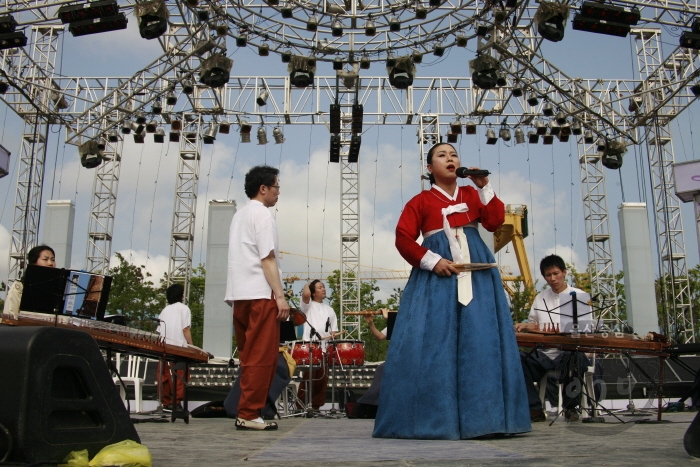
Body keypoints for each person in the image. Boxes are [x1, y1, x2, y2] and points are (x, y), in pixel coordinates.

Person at [373, 142, 531, 440]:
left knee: (482, 338)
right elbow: (403, 238)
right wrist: (432, 261)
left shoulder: (472, 193)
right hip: (438, 274)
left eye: (454, 154)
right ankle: (432, 419)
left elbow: (495, 221)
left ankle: (486, 419)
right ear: (430, 169)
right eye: (442, 155)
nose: (450, 158)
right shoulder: (419, 201)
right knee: (433, 340)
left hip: (477, 269)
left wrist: (485, 186)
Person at [225, 165, 290, 431]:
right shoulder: (263, 215)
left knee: (249, 357)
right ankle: (250, 414)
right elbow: (267, 258)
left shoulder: (239, 215)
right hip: (260, 295)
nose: (278, 193)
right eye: (276, 187)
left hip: (239, 295)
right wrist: (280, 296)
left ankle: (246, 411)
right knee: (263, 358)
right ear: (263, 189)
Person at [515, 254, 591, 422]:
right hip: (544, 353)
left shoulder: (578, 296)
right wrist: (526, 326)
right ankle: (534, 408)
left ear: (564, 273)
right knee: (517, 359)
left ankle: (571, 408)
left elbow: (585, 331)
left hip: (569, 351)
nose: (553, 278)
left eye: (556, 273)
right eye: (548, 275)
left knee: (574, 357)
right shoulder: (540, 297)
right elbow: (533, 325)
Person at [297, 280, 338, 410]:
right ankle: (301, 406)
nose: (323, 289)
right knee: (308, 378)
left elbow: (334, 330)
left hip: (325, 348)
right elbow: (305, 296)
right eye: (320, 287)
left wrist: (333, 334)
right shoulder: (308, 306)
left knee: (322, 380)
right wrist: (307, 285)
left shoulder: (330, 310)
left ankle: (315, 407)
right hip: (311, 347)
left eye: (324, 287)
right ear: (313, 292)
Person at [157, 283, 193, 411]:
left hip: (165, 347)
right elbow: (186, 329)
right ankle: (176, 402)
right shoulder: (184, 309)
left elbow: (159, 330)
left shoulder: (164, 311)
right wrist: (191, 345)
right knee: (180, 376)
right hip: (179, 348)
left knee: (164, 376)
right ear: (181, 295)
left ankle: (166, 402)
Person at [2, 245, 56, 319]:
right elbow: (10, 316)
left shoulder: (60, 287)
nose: (50, 263)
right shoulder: (20, 286)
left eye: (53, 260)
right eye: (45, 259)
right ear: (34, 263)